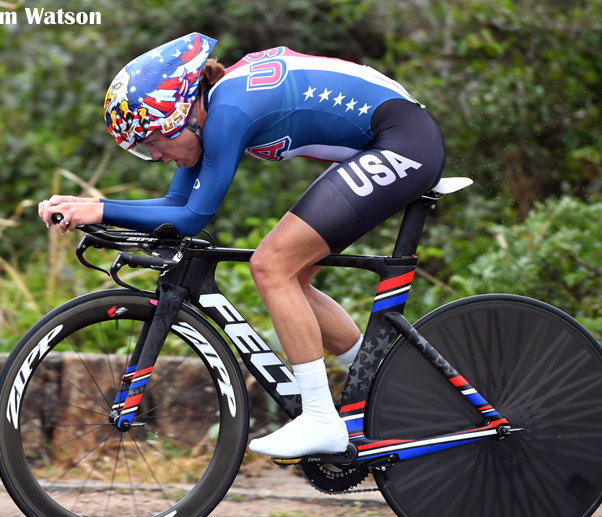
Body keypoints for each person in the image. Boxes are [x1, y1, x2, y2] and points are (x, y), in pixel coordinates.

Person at [38, 33, 445, 459]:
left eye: (153, 141)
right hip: (389, 141)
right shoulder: (211, 108)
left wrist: (98, 210)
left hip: (403, 143)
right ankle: (388, 385)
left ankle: (321, 419)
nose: (155, 155)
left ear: (181, 115)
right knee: (292, 277)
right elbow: (176, 204)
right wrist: (94, 209)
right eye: (145, 149)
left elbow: (193, 217)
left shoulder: (227, 112)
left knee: (271, 266)